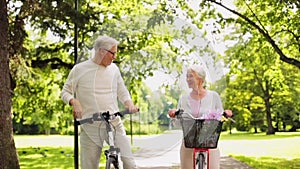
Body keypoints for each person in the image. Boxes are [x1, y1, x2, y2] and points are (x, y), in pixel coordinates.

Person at [61, 35, 139, 169]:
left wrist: (129, 103)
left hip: (114, 123)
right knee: (89, 166)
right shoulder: (80, 69)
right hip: (90, 124)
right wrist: (74, 101)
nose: (115, 57)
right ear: (102, 51)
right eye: (113, 53)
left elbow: (122, 90)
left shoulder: (114, 69)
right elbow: (65, 92)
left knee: (130, 163)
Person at [168, 65, 232, 169]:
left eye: (191, 76)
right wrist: (174, 115)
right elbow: (179, 123)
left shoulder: (213, 96)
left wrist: (226, 113)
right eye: (187, 76)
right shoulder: (183, 99)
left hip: (209, 140)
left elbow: (221, 116)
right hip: (189, 140)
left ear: (200, 79)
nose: (187, 79)